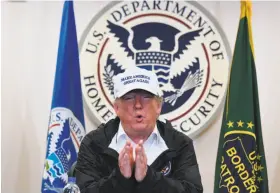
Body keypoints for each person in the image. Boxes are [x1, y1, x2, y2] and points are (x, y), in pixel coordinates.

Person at [75, 66, 203, 193]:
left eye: (146, 97)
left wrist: (149, 177)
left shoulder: (179, 144)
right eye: (129, 98)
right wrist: (120, 178)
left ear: (158, 106)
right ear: (117, 108)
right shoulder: (94, 143)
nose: (138, 105)